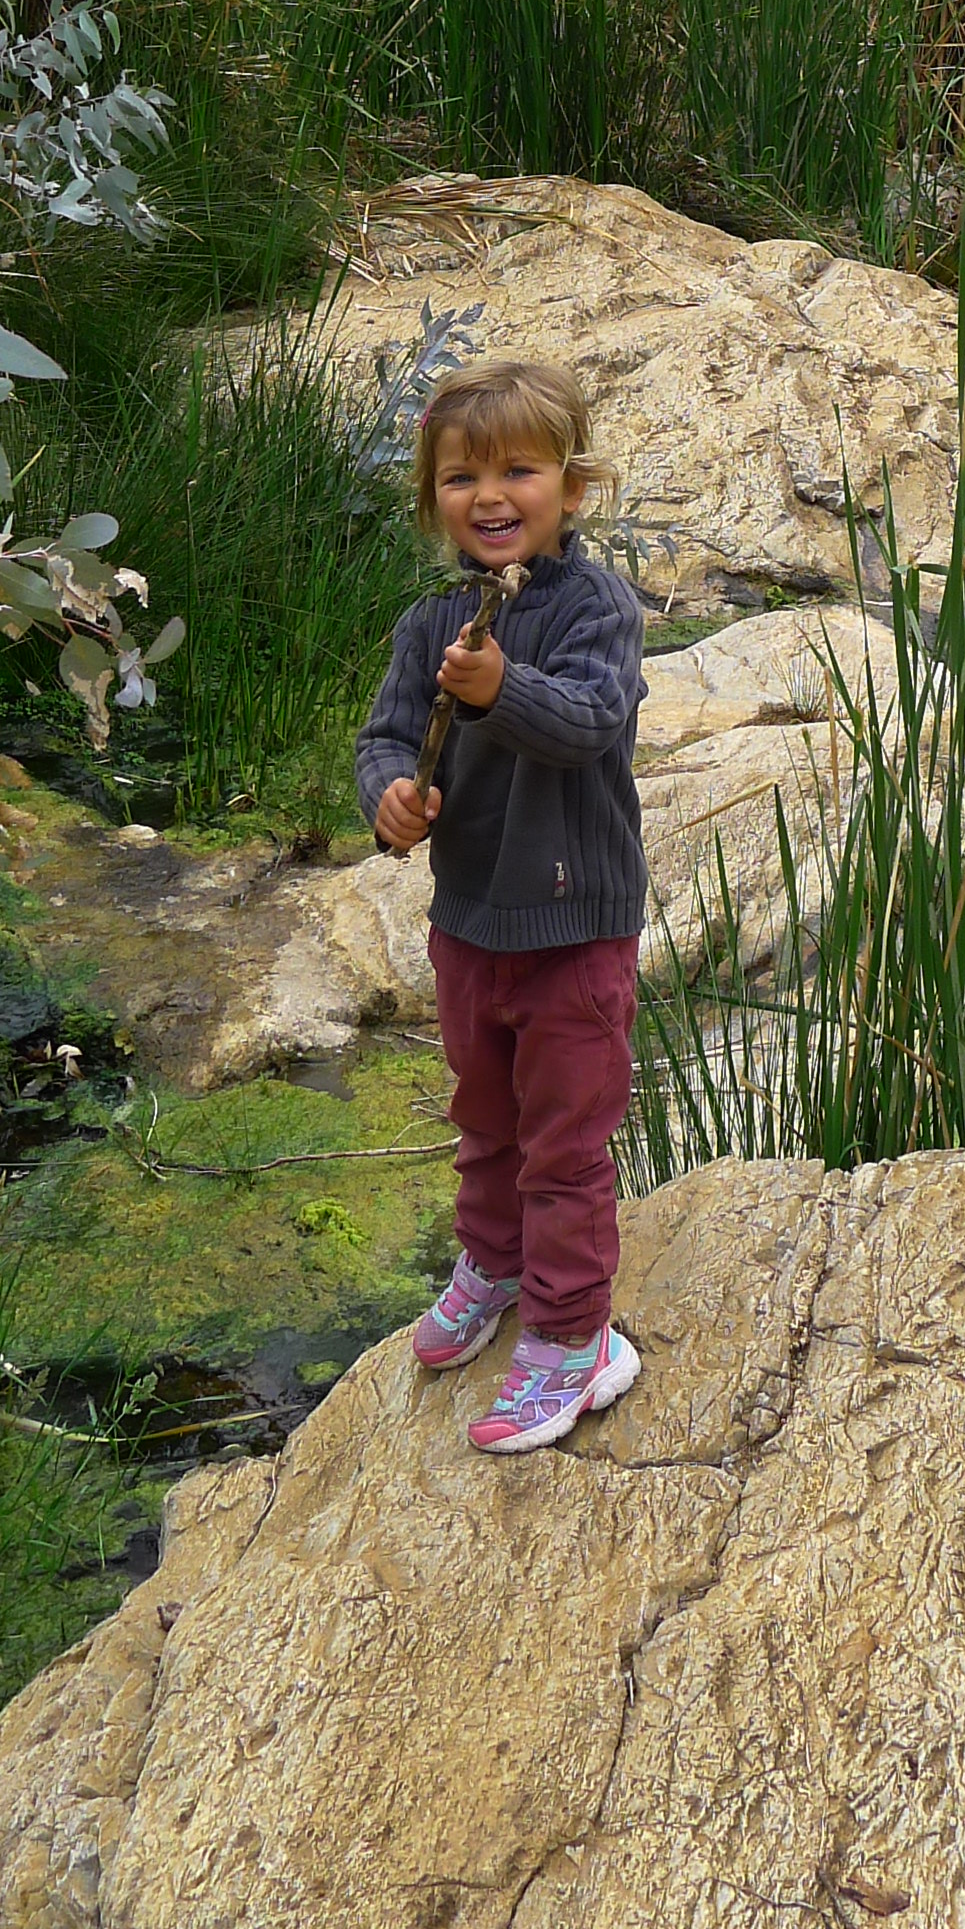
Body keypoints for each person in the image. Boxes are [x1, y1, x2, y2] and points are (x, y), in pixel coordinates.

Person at [357, 355, 648, 1454]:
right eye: (460, 477)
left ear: (571, 488)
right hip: (470, 920)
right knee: (484, 1116)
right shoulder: (430, 620)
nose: (489, 496)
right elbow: (387, 736)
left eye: (518, 471)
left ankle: (575, 1336)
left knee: (564, 1144)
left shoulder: (597, 607)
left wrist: (499, 689)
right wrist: (390, 797)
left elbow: (588, 722)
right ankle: (495, 1260)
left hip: (576, 930)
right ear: (432, 498)